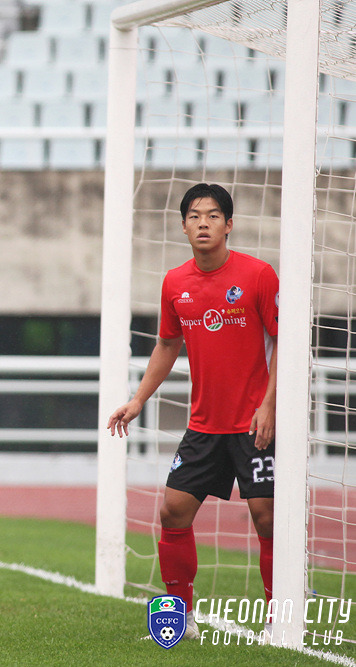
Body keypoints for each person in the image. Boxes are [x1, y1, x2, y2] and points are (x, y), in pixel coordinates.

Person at [107, 183, 278, 638]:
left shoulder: (259, 275)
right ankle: (180, 618)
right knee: (173, 513)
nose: (204, 223)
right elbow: (167, 344)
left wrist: (269, 405)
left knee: (267, 518)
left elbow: (283, 341)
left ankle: (279, 617)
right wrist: (138, 399)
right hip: (205, 425)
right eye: (195, 216)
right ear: (183, 226)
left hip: (254, 423)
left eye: (213, 216)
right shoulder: (175, 282)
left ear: (229, 224)